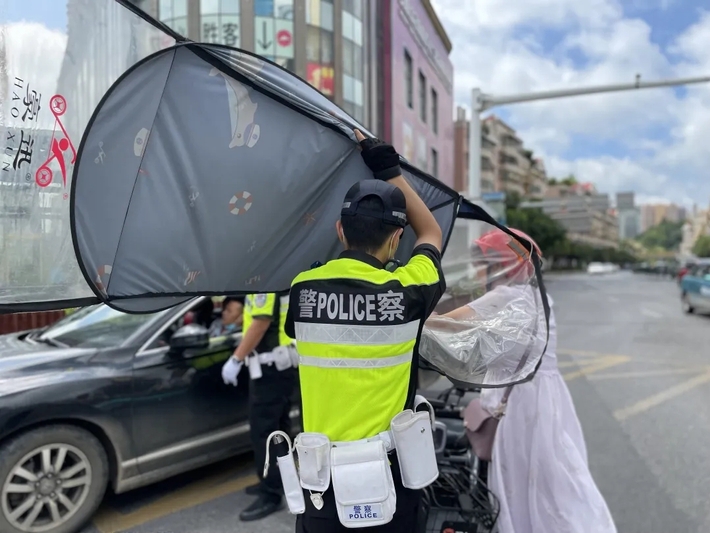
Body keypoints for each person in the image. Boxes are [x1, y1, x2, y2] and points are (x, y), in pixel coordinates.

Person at [284, 129, 445, 533]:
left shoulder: (303, 289)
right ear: (396, 239)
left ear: (340, 230)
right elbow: (431, 233)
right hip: (391, 481)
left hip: (322, 486)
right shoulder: (409, 289)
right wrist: (388, 168)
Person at [441, 228, 617, 533]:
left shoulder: (504, 297)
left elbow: (444, 325)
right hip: (547, 400)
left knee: (518, 483)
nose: (478, 272)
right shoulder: (538, 297)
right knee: (552, 482)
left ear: (501, 266)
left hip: (519, 409)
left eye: (484, 264)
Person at [221, 291, 298, 521]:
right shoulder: (266, 279)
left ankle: (271, 493)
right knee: (278, 430)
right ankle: (280, 480)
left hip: (271, 369)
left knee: (264, 432)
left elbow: (261, 322)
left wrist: (236, 358)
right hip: (277, 366)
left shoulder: (265, 282)